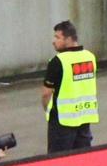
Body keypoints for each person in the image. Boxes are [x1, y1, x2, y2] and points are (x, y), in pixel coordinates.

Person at [40, 20, 97, 153]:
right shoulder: (90, 57)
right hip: (84, 117)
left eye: (58, 37)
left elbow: (46, 93)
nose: (53, 41)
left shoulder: (58, 61)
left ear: (69, 39)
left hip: (62, 121)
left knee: (59, 160)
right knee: (83, 159)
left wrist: (46, 108)